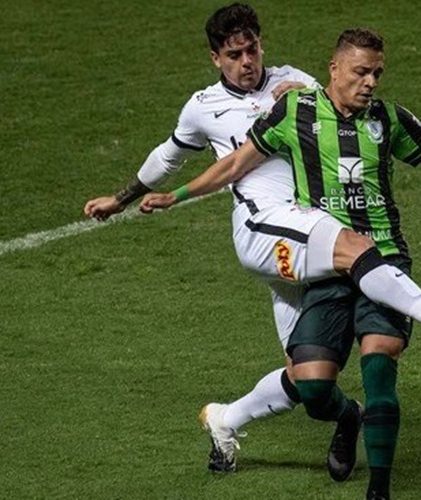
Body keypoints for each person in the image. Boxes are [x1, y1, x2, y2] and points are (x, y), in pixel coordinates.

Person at [142, 27, 421, 500]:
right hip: (326, 263)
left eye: (377, 73)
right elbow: (235, 165)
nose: (370, 83)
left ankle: (379, 489)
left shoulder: (389, 119)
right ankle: (346, 414)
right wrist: (173, 196)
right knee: (313, 387)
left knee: (379, 361)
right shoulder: (295, 112)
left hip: (384, 254)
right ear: (334, 69)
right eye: (361, 72)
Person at [82, 3, 351, 476]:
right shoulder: (204, 107)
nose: (247, 62)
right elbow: (167, 157)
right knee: (361, 277)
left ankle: (228, 419)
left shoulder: (296, 81)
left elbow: (342, 123)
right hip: (278, 245)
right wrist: (121, 199)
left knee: (310, 383)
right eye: (234, 55)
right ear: (215, 59)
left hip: (315, 228)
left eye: (252, 49)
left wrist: (314, 98)